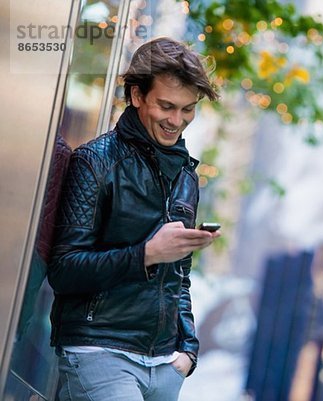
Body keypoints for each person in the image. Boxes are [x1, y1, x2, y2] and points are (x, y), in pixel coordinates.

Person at [48, 37, 220, 401]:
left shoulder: (186, 176)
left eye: (188, 109)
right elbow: (64, 270)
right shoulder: (95, 161)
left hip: (165, 365)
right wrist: (146, 254)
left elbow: (180, 278)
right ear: (137, 95)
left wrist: (188, 350)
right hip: (100, 352)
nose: (177, 121)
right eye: (167, 106)